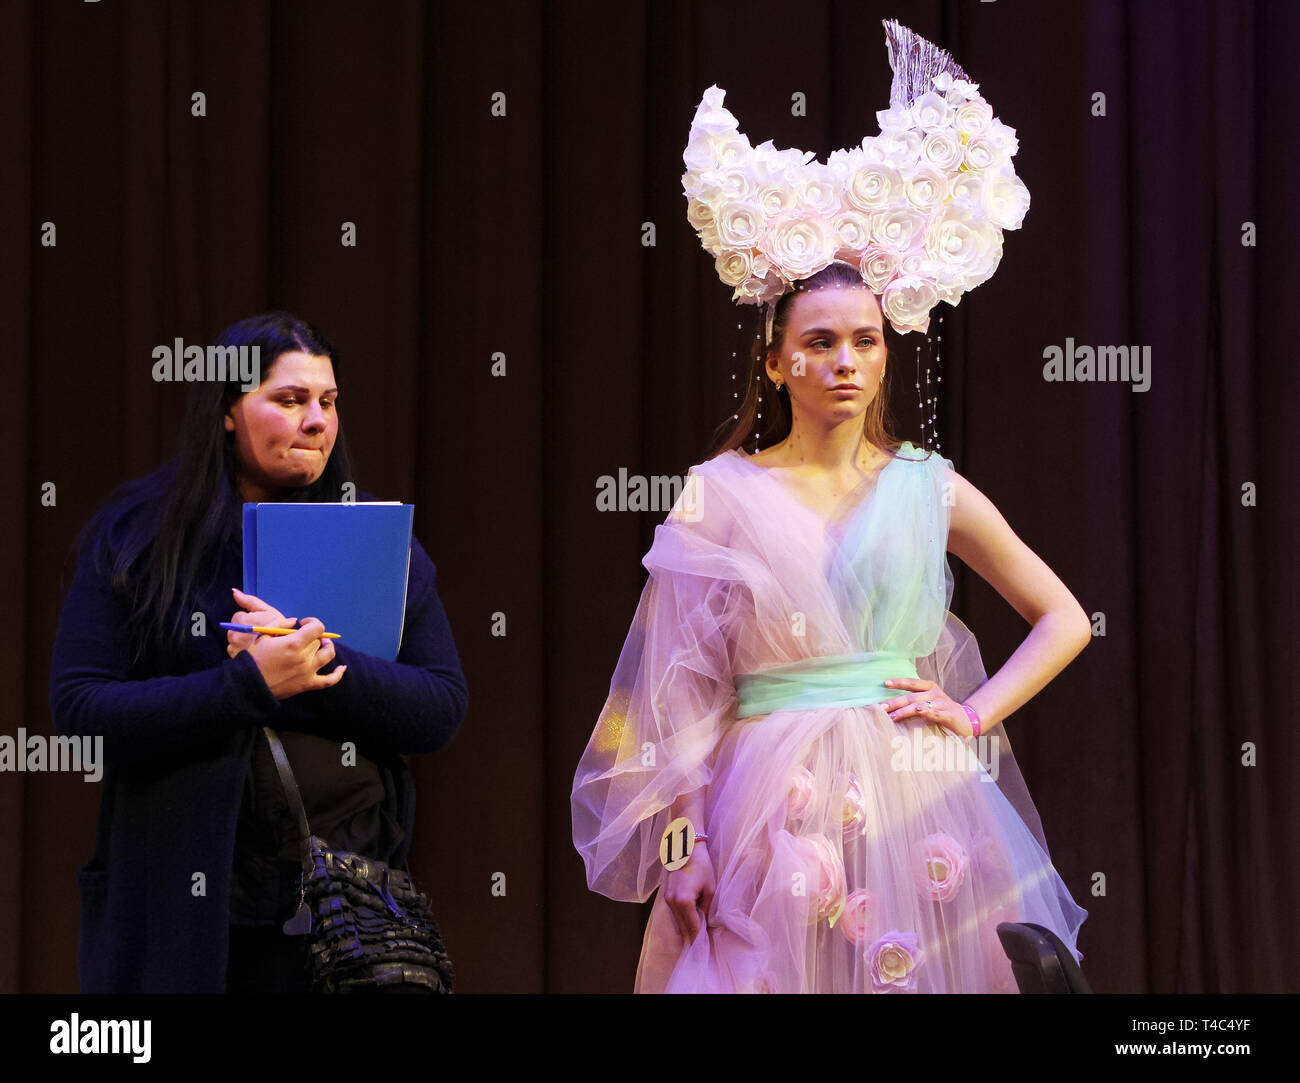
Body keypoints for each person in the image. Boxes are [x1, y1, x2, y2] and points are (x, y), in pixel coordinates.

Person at [571, 23, 1089, 993]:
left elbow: (1063, 618)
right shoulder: (722, 493)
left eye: (862, 340)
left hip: (916, 800)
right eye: (817, 342)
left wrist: (972, 714)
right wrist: (680, 841)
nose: (842, 361)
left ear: (887, 350)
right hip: (764, 806)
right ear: (775, 360)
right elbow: (669, 701)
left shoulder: (924, 487)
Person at [50, 312, 468, 993]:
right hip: (183, 918)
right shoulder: (136, 540)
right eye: (290, 399)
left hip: (340, 914)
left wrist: (317, 664)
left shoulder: (375, 542)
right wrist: (247, 684)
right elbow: (82, 711)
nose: (317, 421)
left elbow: (440, 706)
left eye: (328, 401)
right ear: (225, 410)